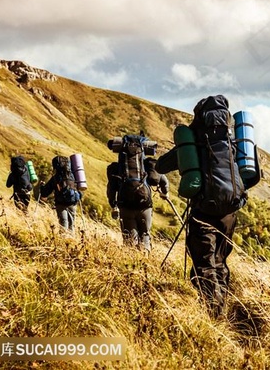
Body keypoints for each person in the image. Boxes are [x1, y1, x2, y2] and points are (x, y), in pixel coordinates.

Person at [157, 95, 260, 318]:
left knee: (204, 263)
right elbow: (253, 176)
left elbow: (161, 166)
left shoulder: (194, 142)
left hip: (203, 211)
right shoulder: (235, 141)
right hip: (230, 212)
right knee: (220, 261)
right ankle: (222, 304)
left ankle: (214, 315)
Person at [106, 156, 170, 252]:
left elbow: (111, 189)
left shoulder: (117, 168)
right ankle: (145, 259)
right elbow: (163, 180)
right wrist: (165, 193)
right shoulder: (148, 165)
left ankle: (131, 261)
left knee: (129, 238)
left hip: (126, 207)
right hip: (145, 207)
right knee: (145, 234)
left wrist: (113, 205)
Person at [40, 156, 82, 233]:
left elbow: (45, 192)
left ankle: (64, 240)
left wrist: (42, 186)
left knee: (63, 224)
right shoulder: (73, 175)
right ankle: (71, 241)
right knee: (71, 224)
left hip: (61, 204)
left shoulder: (56, 177)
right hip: (73, 203)